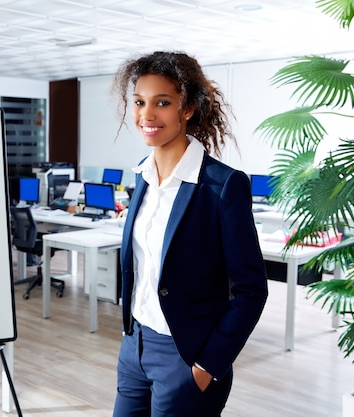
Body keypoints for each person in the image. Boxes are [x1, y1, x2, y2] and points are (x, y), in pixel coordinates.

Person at [111, 51, 268, 417]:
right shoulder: (142, 177)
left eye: (161, 103)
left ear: (187, 109)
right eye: (139, 102)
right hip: (135, 349)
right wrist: (128, 335)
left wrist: (206, 366)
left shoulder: (222, 185)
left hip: (186, 356)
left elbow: (251, 290)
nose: (146, 115)